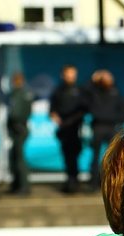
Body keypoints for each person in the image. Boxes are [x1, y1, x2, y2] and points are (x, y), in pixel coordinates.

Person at [85, 69, 124, 190]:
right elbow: (85, 92)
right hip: (98, 127)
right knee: (95, 156)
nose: (106, 80)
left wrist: (116, 120)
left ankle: (112, 182)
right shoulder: (94, 92)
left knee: (114, 156)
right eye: (104, 78)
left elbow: (122, 111)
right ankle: (93, 182)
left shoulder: (116, 92)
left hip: (112, 127)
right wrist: (93, 79)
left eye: (108, 78)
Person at [49, 64, 87, 194]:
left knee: (75, 154)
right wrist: (56, 117)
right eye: (68, 74)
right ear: (63, 75)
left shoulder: (80, 90)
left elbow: (84, 109)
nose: (70, 77)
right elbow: (52, 109)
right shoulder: (58, 91)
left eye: (73, 74)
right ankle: (70, 181)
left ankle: (74, 181)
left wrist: (74, 120)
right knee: (67, 156)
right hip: (64, 129)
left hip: (76, 129)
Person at [7, 71, 34, 196]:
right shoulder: (19, 93)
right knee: (15, 158)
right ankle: (18, 185)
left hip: (19, 129)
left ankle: (23, 186)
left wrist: (14, 121)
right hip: (18, 128)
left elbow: (15, 113)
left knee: (19, 159)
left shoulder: (20, 94)